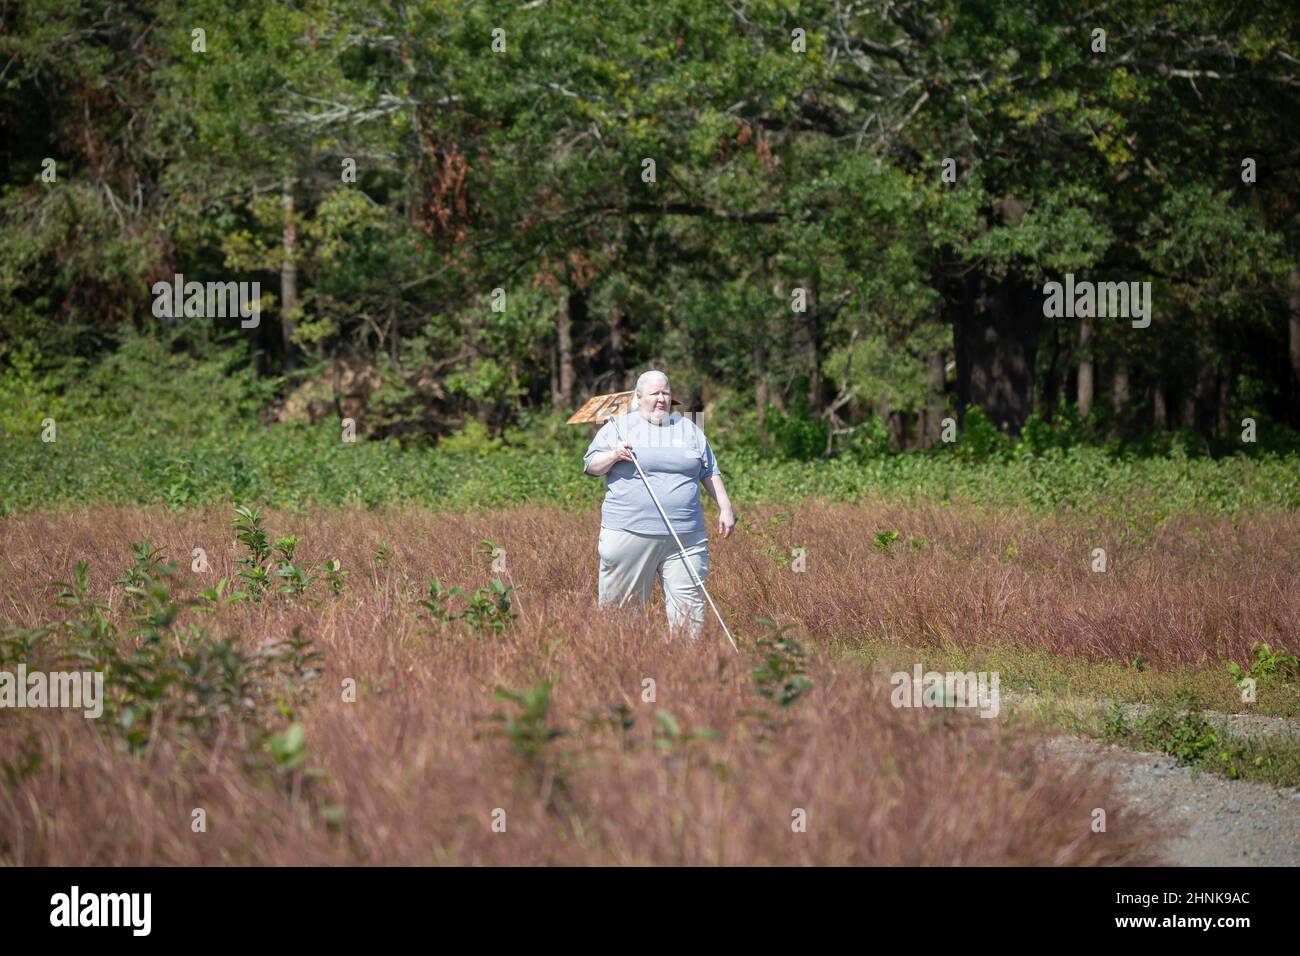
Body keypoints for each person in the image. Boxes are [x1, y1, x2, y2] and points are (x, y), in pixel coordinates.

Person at [582, 370, 734, 637]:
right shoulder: (617, 428)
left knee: (690, 614)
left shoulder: (689, 429)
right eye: (654, 393)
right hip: (630, 533)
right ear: (638, 397)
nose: (661, 399)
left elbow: (709, 471)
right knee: (622, 613)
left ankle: (686, 669)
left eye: (666, 392)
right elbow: (591, 466)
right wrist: (615, 454)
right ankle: (620, 664)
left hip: (686, 537)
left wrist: (725, 507)